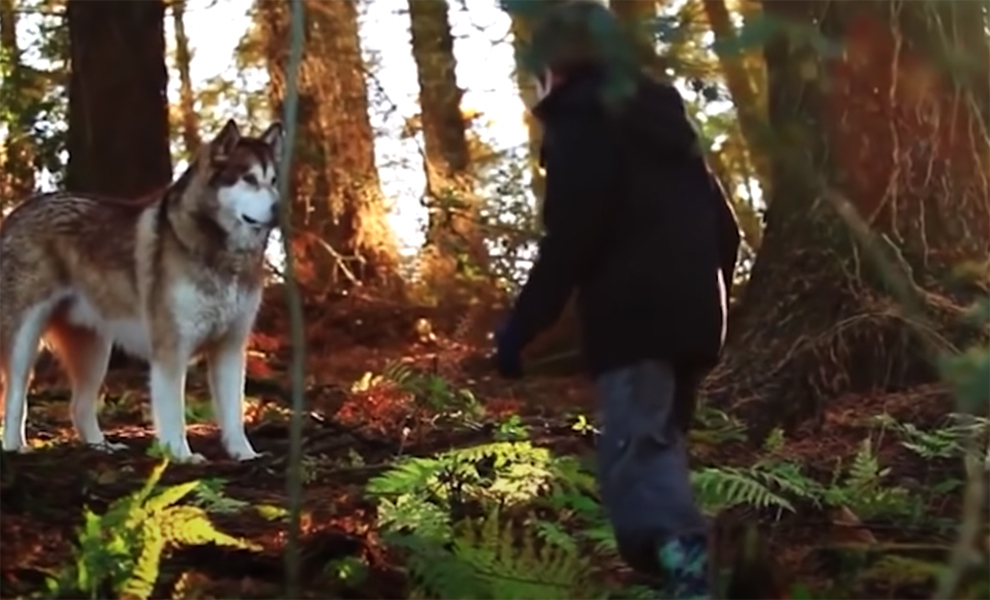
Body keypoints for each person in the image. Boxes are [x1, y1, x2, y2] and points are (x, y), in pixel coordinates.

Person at [493, 2, 742, 598]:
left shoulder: (581, 122)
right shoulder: (664, 122)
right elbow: (725, 227)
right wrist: (713, 297)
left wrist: (522, 327)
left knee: (637, 454)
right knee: (660, 443)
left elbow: (573, 234)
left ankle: (690, 579)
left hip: (635, 321)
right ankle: (688, 570)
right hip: (697, 319)